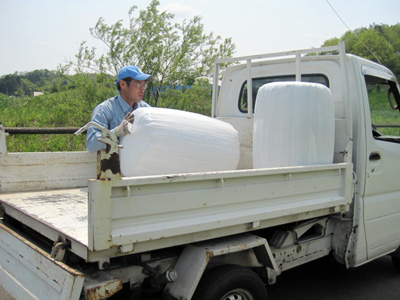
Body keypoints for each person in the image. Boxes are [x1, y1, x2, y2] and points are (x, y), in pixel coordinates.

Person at [86, 65, 153, 152]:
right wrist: (116, 132)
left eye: (144, 85)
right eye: (138, 84)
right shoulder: (104, 110)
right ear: (123, 84)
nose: (142, 89)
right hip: (111, 164)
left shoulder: (147, 110)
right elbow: (92, 145)